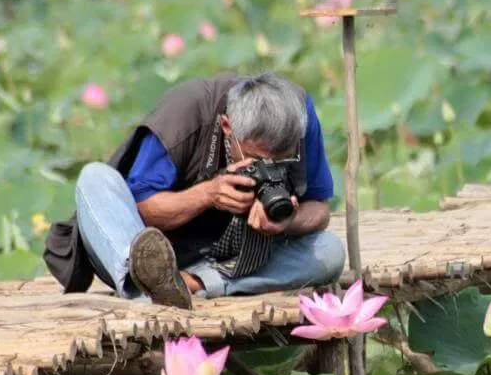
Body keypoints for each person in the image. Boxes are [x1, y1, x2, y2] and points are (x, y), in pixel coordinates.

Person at [43, 72, 347, 309]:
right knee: (94, 177)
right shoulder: (186, 112)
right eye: (256, 158)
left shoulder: (301, 114)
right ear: (227, 128)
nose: (269, 165)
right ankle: (144, 287)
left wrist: (285, 222)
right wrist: (207, 195)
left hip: (240, 258)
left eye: (280, 159)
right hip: (155, 249)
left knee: (329, 252)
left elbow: (319, 209)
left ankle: (192, 285)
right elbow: (142, 207)